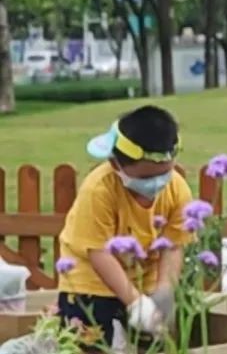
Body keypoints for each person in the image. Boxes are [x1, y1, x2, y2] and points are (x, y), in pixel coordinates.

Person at [56, 106, 193, 350]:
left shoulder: (177, 189)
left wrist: (163, 290)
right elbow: (99, 253)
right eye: (145, 179)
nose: (156, 184)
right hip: (91, 284)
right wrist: (134, 302)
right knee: (93, 346)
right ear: (115, 164)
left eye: (164, 174)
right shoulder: (99, 190)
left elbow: (174, 245)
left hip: (145, 279)